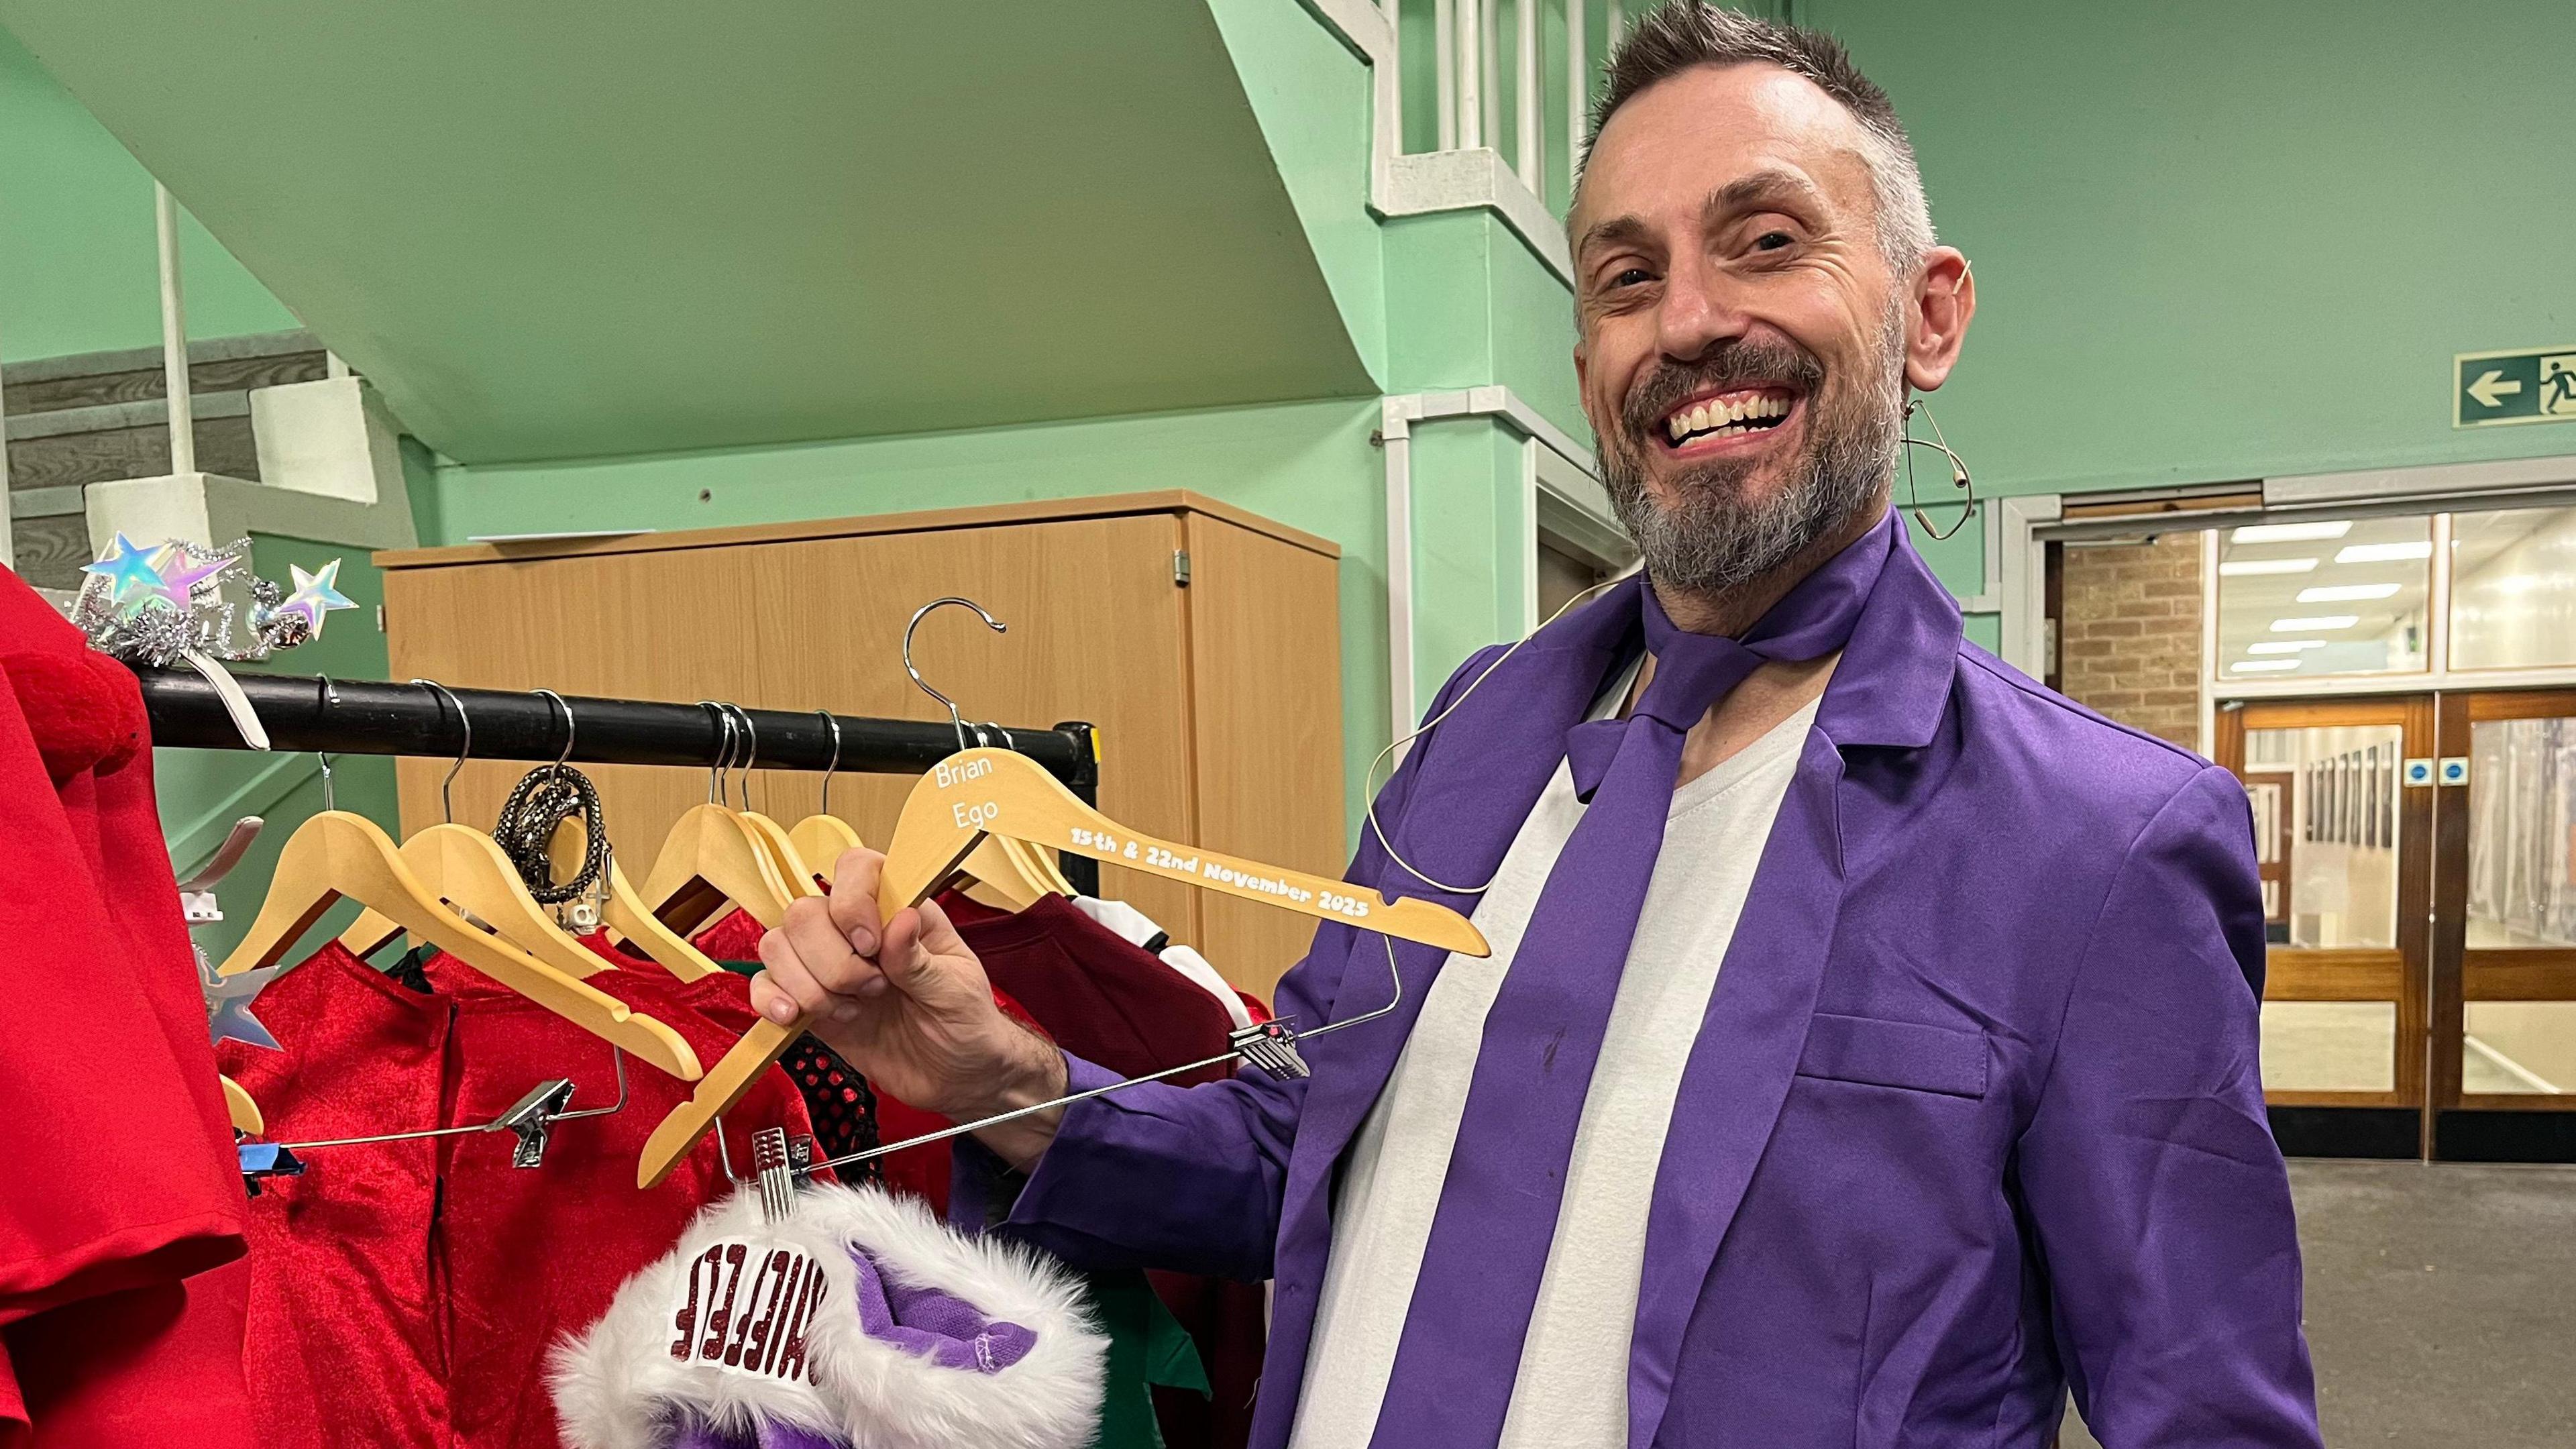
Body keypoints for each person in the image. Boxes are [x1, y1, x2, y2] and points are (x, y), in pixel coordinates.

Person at [751, 6, 2323, 1446]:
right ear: (1587, 362)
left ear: (1927, 316)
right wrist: (1003, 1077)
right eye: (1628, 278)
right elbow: (1312, 1158)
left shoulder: (2099, 848)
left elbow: (2209, 1417)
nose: (1691, 323)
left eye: (1767, 243)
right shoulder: (1474, 738)